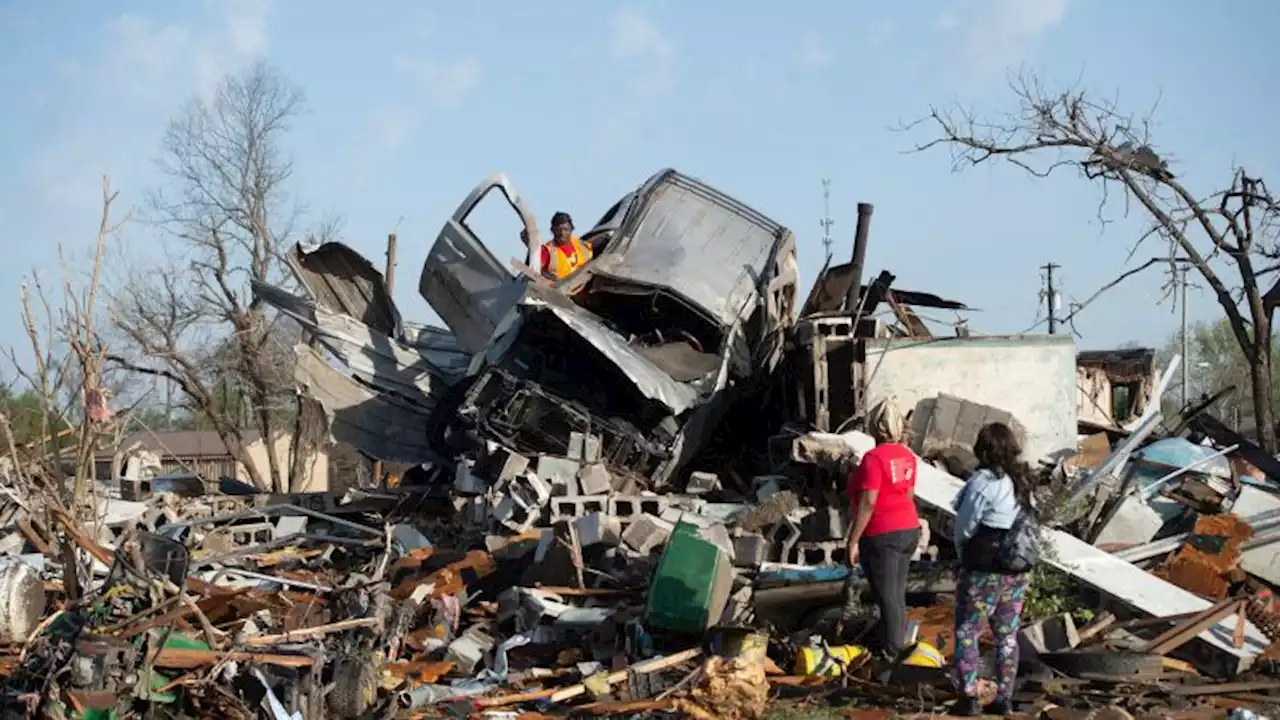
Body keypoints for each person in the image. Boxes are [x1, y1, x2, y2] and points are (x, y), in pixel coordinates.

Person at [950, 422, 1038, 717]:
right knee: (1007, 635)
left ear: (982, 449)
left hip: (983, 571)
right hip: (1017, 572)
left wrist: (963, 556)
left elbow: (965, 526)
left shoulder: (984, 481)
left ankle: (970, 696)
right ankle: (1004, 696)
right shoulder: (1022, 480)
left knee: (967, 631)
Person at [845, 397, 920, 658]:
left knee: (887, 598)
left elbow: (869, 502)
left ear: (875, 427)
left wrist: (853, 540)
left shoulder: (873, 459)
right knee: (897, 596)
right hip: (909, 529)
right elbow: (909, 494)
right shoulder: (908, 457)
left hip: (882, 533)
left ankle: (892, 654)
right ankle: (894, 647)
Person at [534, 211, 592, 281]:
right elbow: (534, 272)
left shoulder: (584, 246)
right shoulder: (546, 250)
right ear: (552, 231)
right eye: (558, 230)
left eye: (566, 229)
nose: (562, 233)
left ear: (571, 229)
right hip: (558, 290)